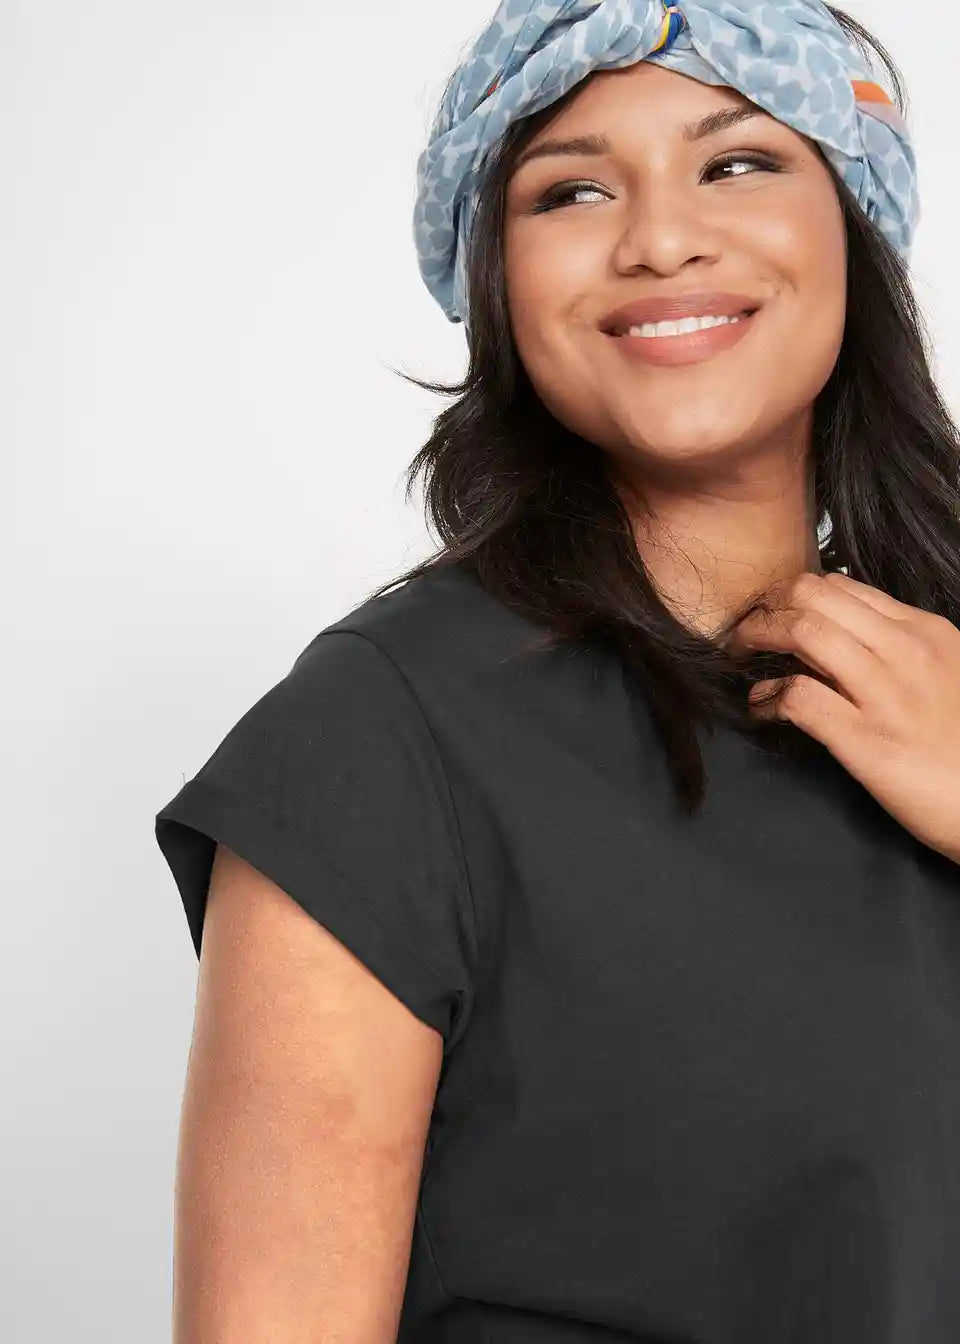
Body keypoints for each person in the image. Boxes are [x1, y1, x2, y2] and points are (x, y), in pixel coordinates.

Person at [155, 1, 960, 1340]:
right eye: (572, 191)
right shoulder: (382, 735)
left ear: (854, 230)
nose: (660, 239)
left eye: (738, 162)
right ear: (499, 283)